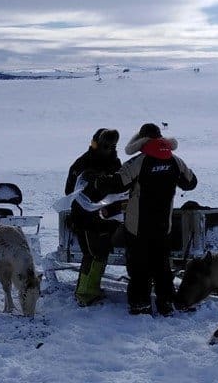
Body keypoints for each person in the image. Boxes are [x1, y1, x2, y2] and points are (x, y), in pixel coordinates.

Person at [91, 123, 197, 316]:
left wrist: (99, 181)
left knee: (139, 269)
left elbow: (118, 183)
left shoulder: (139, 162)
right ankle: (166, 304)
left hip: (138, 226)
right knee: (162, 267)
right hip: (163, 225)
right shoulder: (175, 161)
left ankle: (141, 305)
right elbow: (191, 183)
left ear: (142, 139)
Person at [65, 128, 124, 306]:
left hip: (106, 217)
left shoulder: (113, 163)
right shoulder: (83, 163)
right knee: (92, 254)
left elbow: (121, 187)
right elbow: (70, 191)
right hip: (86, 217)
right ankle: (85, 292)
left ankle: (91, 289)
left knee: (100, 253)